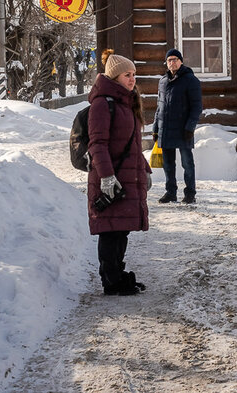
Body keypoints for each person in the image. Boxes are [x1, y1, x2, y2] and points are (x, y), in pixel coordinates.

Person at [87, 51, 150, 295]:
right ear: (115, 77)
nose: (132, 79)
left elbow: (133, 145)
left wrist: (144, 170)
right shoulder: (102, 104)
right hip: (110, 178)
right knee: (110, 230)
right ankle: (111, 281)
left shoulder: (126, 102)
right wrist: (106, 177)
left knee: (121, 228)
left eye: (134, 74)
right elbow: (97, 144)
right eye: (127, 75)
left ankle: (117, 274)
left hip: (126, 177)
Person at [152, 48, 202, 204]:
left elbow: (196, 107)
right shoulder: (162, 81)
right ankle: (170, 192)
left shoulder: (190, 80)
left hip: (183, 129)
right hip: (165, 128)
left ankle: (190, 193)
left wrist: (190, 127)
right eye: (169, 60)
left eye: (174, 59)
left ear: (181, 61)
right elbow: (159, 107)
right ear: (166, 63)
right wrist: (155, 129)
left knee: (187, 162)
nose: (172, 62)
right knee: (168, 164)